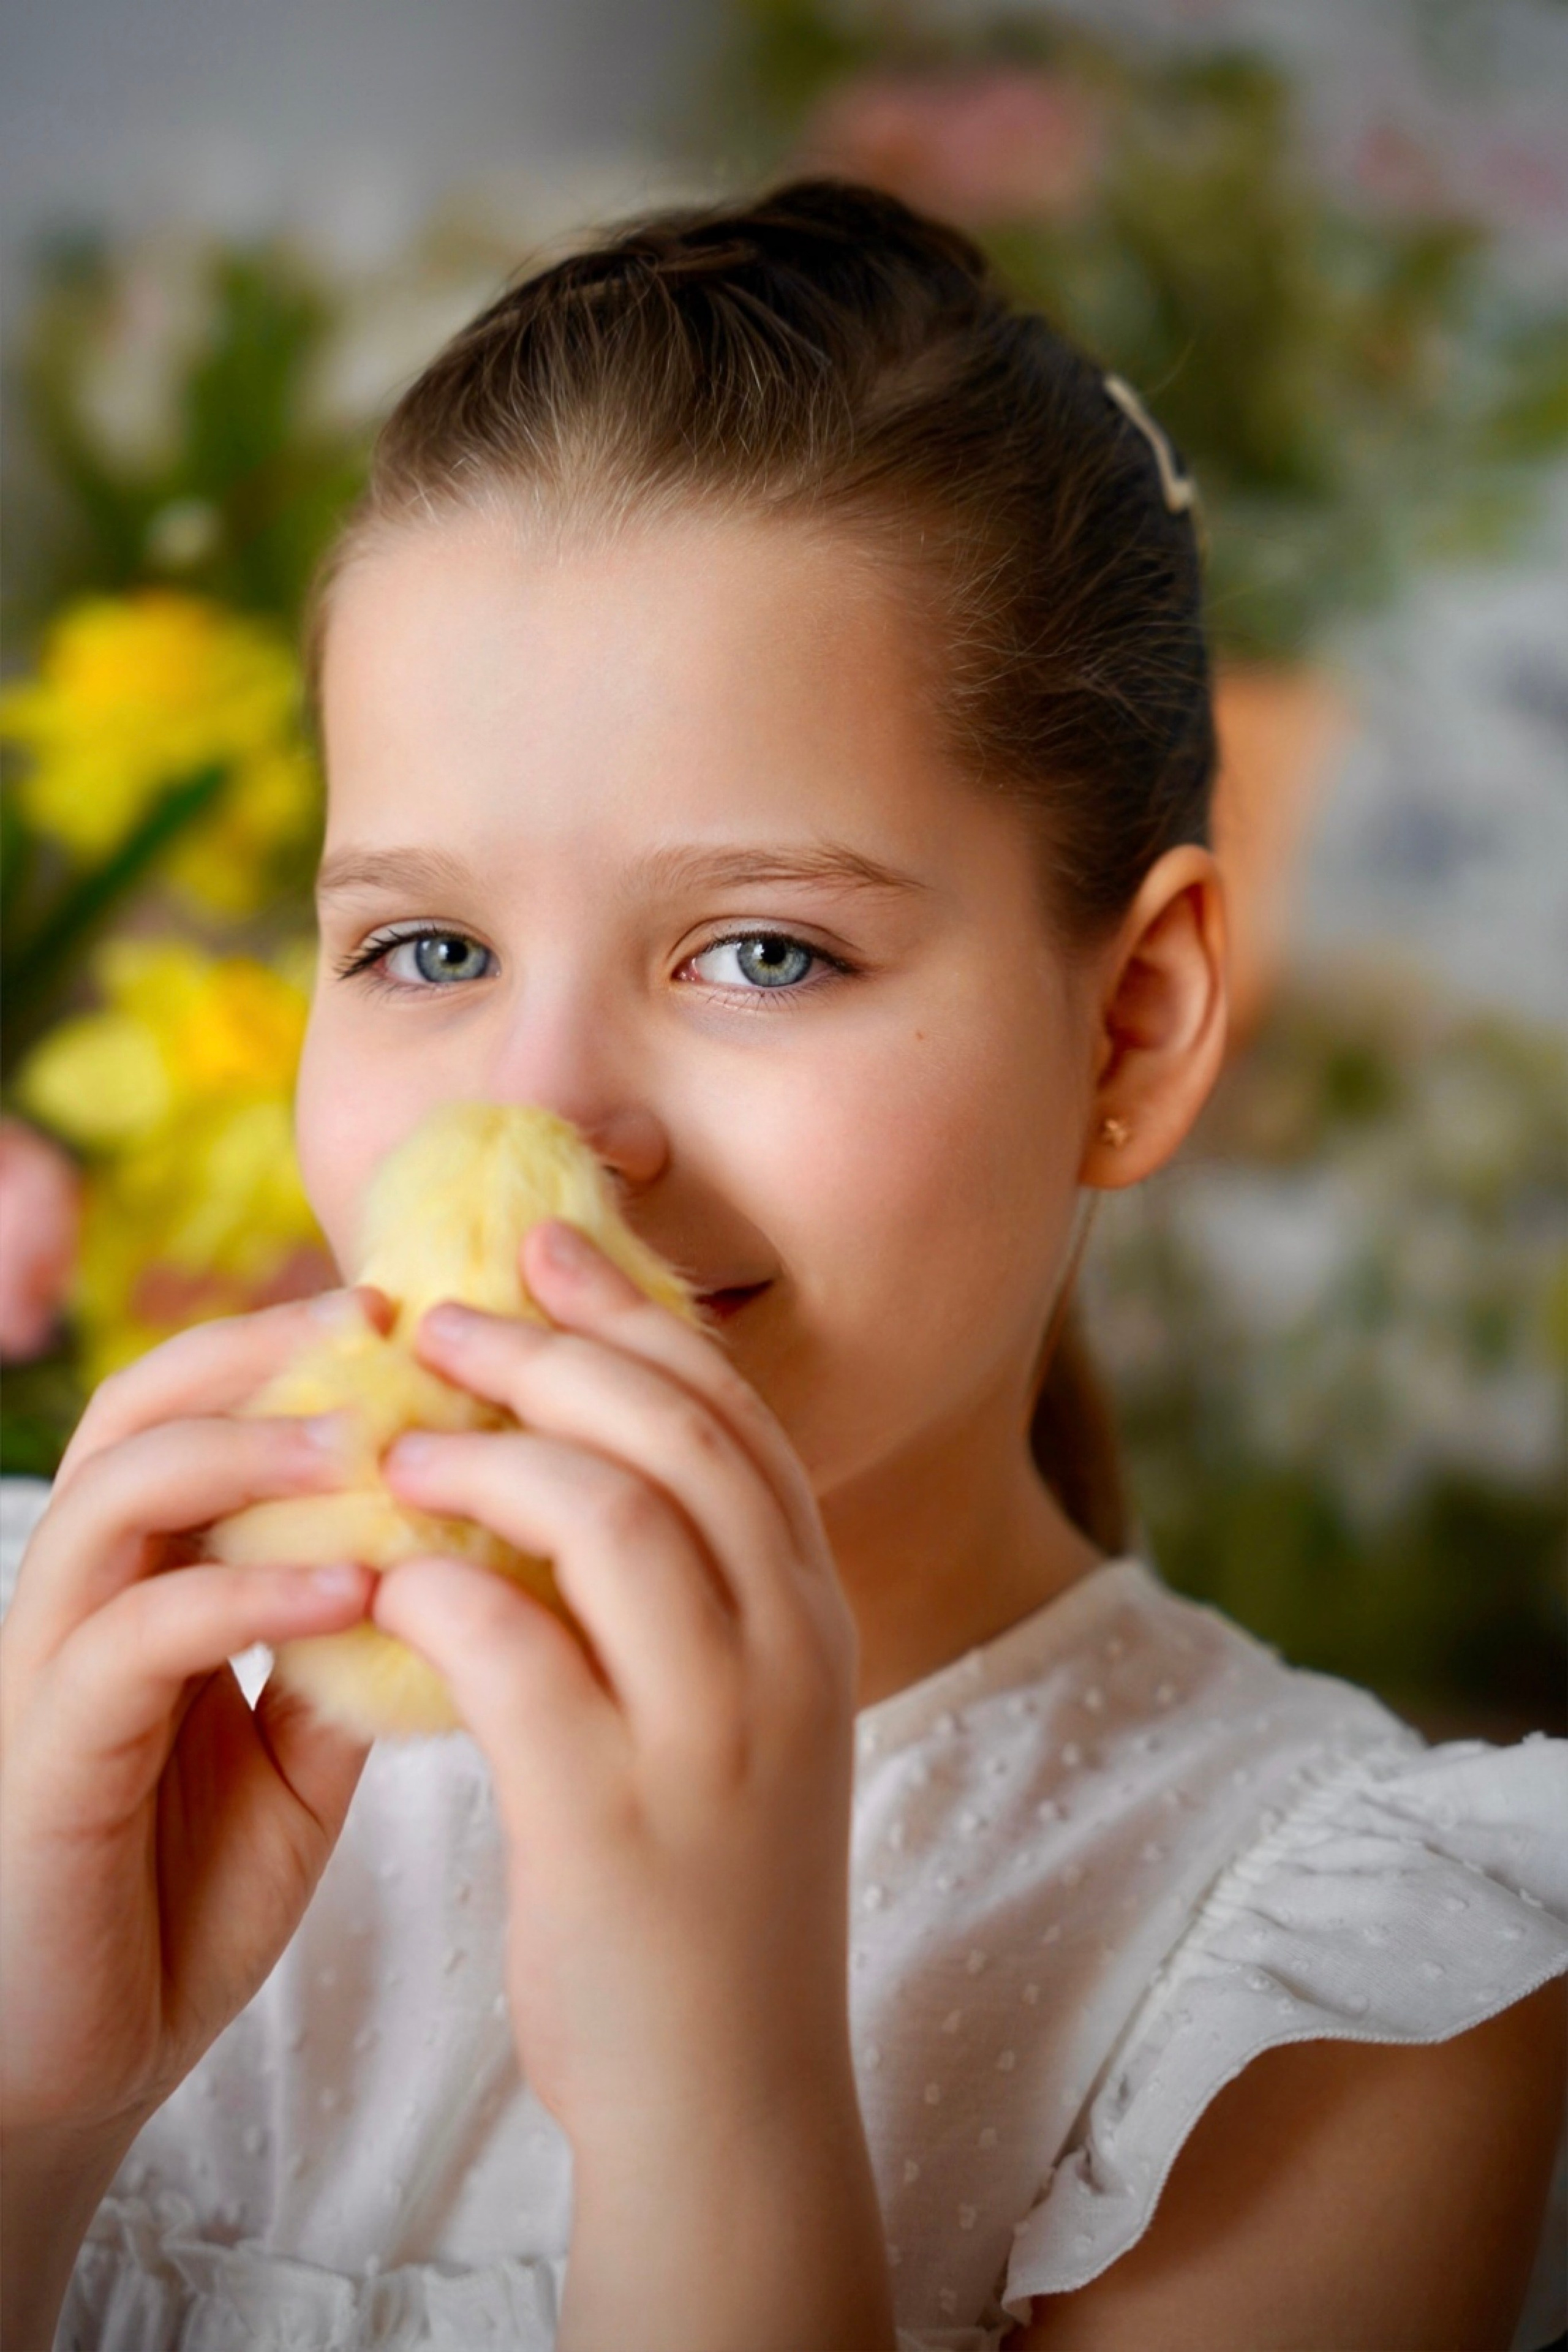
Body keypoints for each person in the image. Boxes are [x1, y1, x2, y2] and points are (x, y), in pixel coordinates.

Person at [2, 179, 1564, 2352]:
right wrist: (27, 2115)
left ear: (1132, 1027)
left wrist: (713, 2119)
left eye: (763, 950)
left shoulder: (1336, 1984)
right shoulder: (55, 1697)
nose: (542, 1128)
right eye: (426, 948)